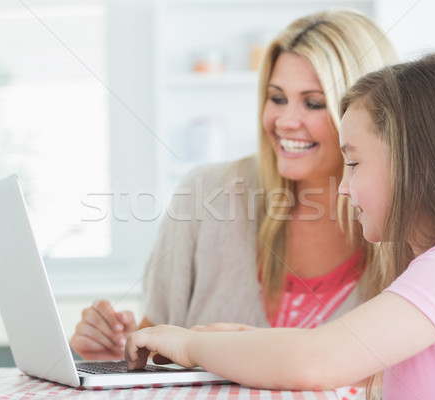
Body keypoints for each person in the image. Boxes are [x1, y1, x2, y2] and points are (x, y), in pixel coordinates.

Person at [124, 53, 435, 399]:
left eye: (354, 163)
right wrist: (243, 343)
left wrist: (191, 345)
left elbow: (315, 359)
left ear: (415, 164)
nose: (343, 188)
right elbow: (336, 350)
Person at [71, 10, 397, 361]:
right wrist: (113, 352)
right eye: (277, 98)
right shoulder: (205, 195)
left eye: (313, 103)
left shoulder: (403, 230)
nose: (286, 121)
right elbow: (150, 350)